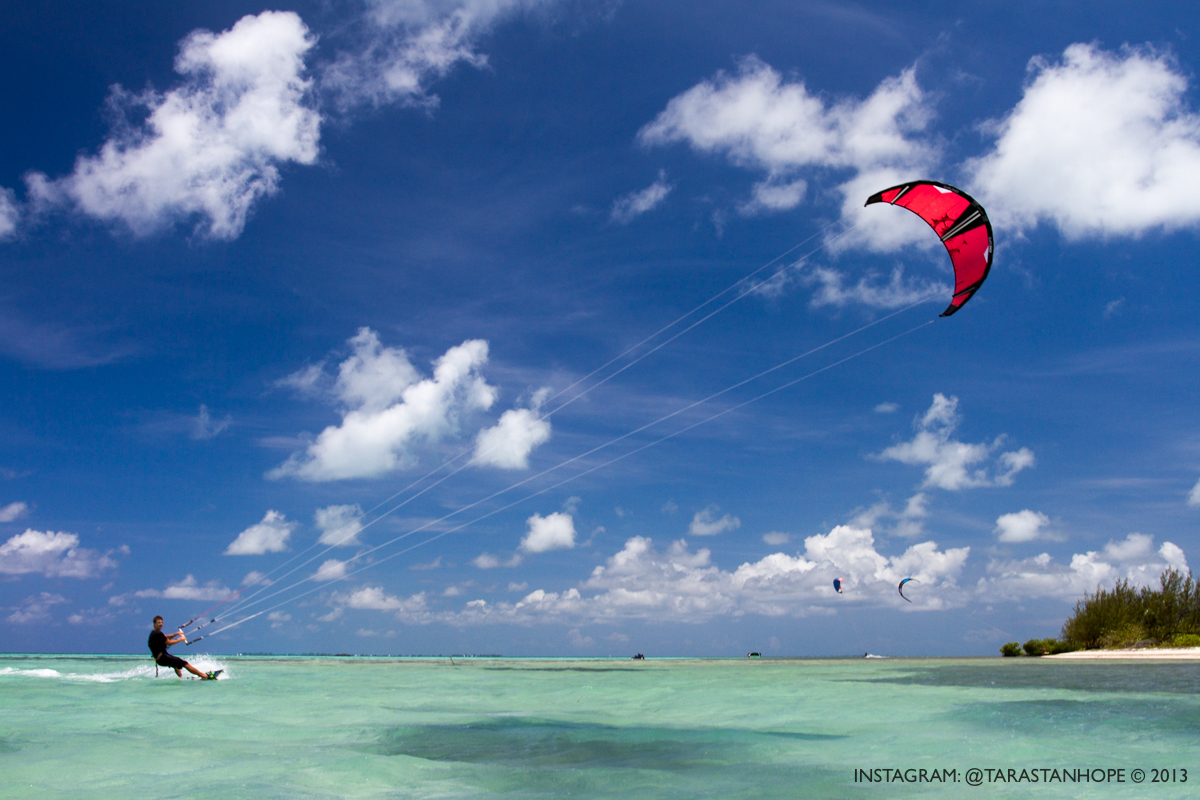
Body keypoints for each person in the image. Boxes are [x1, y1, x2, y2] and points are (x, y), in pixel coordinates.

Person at [148, 616, 215, 679]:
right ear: (154, 624)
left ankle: (181, 678)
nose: (161, 624)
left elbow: (165, 637)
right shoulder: (157, 633)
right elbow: (169, 643)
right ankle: (203, 676)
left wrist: (176, 634)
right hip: (163, 658)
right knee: (184, 663)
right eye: (158, 622)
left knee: (176, 665)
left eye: (161, 622)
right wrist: (181, 639)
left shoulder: (155, 633)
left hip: (160, 659)